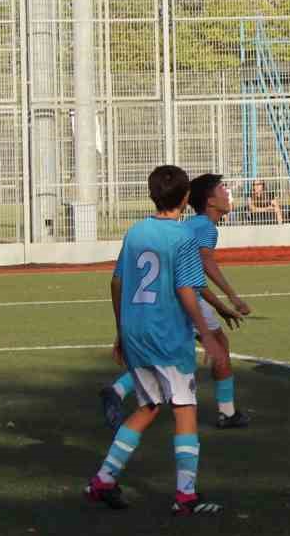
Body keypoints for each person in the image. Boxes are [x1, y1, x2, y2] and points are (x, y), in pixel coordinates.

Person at [82, 166, 226, 515]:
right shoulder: (183, 238)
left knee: (148, 407)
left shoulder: (135, 232)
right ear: (186, 197)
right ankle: (186, 496)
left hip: (136, 332)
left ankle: (103, 481)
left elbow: (116, 283)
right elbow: (186, 290)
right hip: (167, 335)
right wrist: (206, 334)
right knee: (185, 409)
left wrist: (120, 330)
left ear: (152, 195)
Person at [100, 174, 249, 431]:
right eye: (222, 189)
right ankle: (227, 412)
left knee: (161, 356)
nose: (228, 194)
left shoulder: (189, 225)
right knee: (218, 346)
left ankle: (117, 390)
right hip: (179, 296)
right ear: (210, 201)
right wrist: (230, 298)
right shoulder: (203, 227)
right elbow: (201, 269)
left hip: (160, 297)